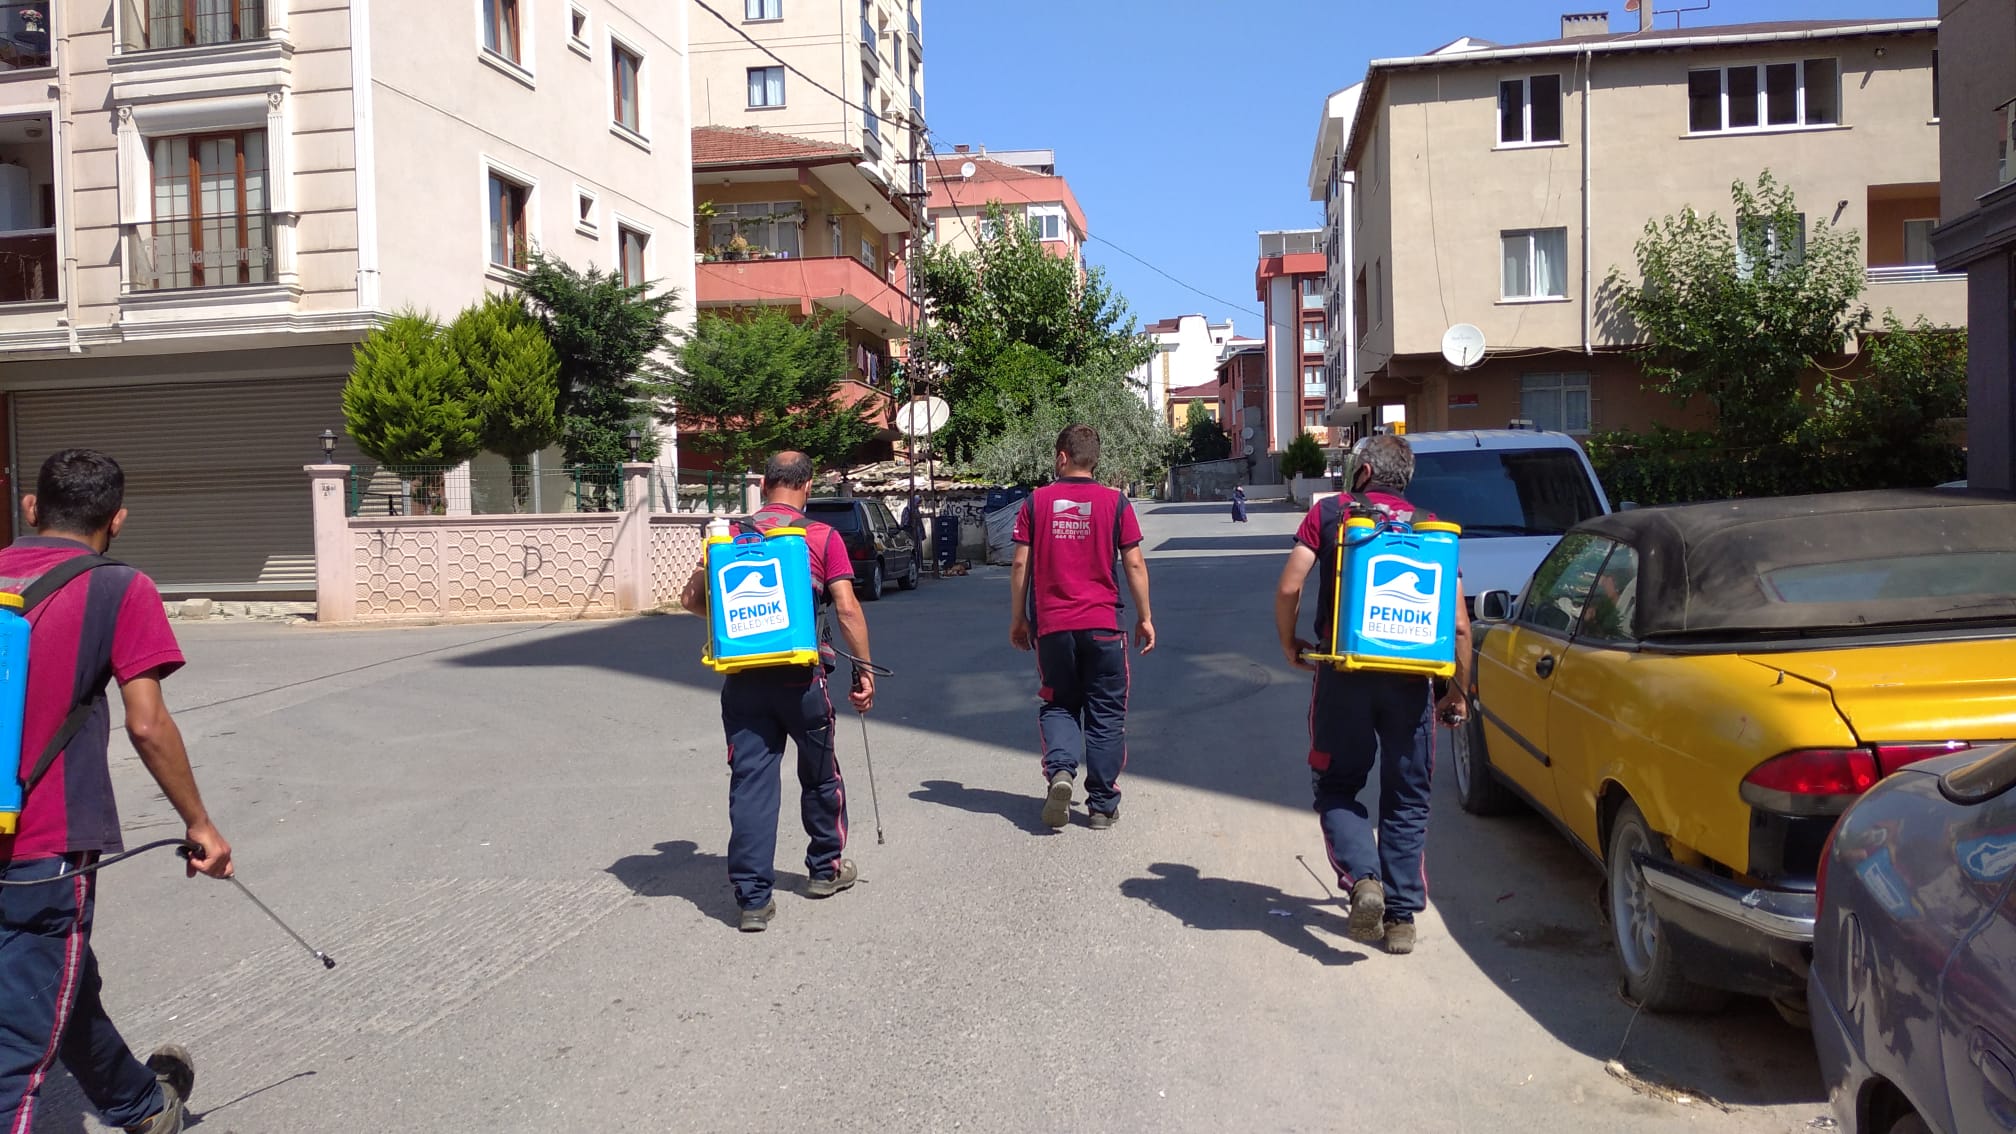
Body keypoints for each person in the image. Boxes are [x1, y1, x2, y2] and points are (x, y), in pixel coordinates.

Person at [0, 449, 234, 1134]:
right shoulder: (120, 588)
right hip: (43, 842)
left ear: (31, 509)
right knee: (18, 1044)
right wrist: (202, 825)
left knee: (55, 983)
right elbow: (147, 722)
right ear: (118, 519)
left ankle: (139, 1104)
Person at [1273, 434, 1469, 956]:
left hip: (1344, 676)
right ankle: (1401, 919)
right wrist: (1456, 692)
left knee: (1336, 787)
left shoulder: (1332, 514)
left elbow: (1290, 587)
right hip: (1412, 684)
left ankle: (1364, 881)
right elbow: (1460, 628)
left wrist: (1290, 642)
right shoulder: (1431, 528)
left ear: (1362, 473)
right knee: (1407, 799)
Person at [681, 452, 874, 932]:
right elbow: (847, 609)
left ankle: (752, 900)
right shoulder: (821, 537)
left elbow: (690, 601)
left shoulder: (730, 537)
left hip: (743, 681)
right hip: (801, 680)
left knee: (751, 785)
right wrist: (863, 670)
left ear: (764, 484)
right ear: (808, 487)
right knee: (821, 775)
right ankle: (825, 870)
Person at [1008, 425, 1155, 831]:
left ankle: (1061, 772)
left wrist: (1019, 617)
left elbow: (1020, 563)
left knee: (1059, 702)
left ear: (1061, 457)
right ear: (1095, 459)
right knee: (1106, 714)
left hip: (1053, 627)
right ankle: (1103, 806)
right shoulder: (1116, 502)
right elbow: (1135, 563)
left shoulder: (1036, 502)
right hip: (1104, 625)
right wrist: (1144, 617)